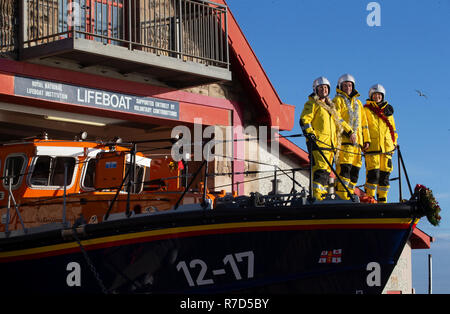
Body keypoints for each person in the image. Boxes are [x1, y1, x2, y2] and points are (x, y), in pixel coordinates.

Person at [300, 77, 354, 201]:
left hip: (330, 144)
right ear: (316, 90)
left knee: (327, 171)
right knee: (320, 169)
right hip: (318, 143)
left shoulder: (331, 107)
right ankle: (317, 196)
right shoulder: (312, 103)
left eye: (325, 88)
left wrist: (350, 131)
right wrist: (310, 134)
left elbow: (339, 120)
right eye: (321, 88)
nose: (323, 90)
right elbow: (304, 119)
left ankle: (322, 195)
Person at [333, 74, 370, 200]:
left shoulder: (359, 103)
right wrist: (349, 132)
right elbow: (337, 117)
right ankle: (342, 197)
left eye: (349, 85)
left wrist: (367, 140)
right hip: (344, 142)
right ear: (340, 86)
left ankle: (349, 195)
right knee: (345, 169)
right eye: (345, 85)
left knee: (355, 171)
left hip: (358, 144)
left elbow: (364, 124)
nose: (347, 87)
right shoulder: (337, 100)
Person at [363, 84, 398, 203]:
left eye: (379, 95)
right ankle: (370, 198)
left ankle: (382, 199)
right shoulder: (366, 110)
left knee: (385, 175)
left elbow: (393, 129)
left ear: (382, 96)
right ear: (371, 96)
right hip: (373, 147)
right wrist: (365, 141)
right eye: (375, 95)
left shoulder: (388, 111)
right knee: (373, 174)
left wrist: (394, 144)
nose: (377, 97)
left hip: (387, 148)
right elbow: (364, 127)